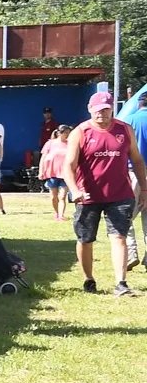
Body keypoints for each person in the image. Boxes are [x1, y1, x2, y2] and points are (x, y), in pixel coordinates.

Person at [63, 90, 147, 296]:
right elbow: (69, 165)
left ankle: (121, 283)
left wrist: (144, 188)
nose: (101, 114)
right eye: (97, 110)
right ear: (90, 110)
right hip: (88, 195)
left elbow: (136, 160)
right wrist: (74, 190)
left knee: (119, 236)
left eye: (106, 110)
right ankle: (88, 278)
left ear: (112, 109)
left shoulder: (124, 130)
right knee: (85, 239)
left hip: (120, 195)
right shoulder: (80, 132)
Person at [38, 125, 72, 221]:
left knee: (63, 196)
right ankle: (56, 213)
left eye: (68, 133)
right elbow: (43, 158)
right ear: (59, 133)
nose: (67, 135)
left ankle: (61, 215)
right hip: (52, 173)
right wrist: (41, 171)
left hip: (66, 173)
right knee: (54, 196)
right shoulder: (50, 144)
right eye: (65, 133)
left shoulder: (70, 144)